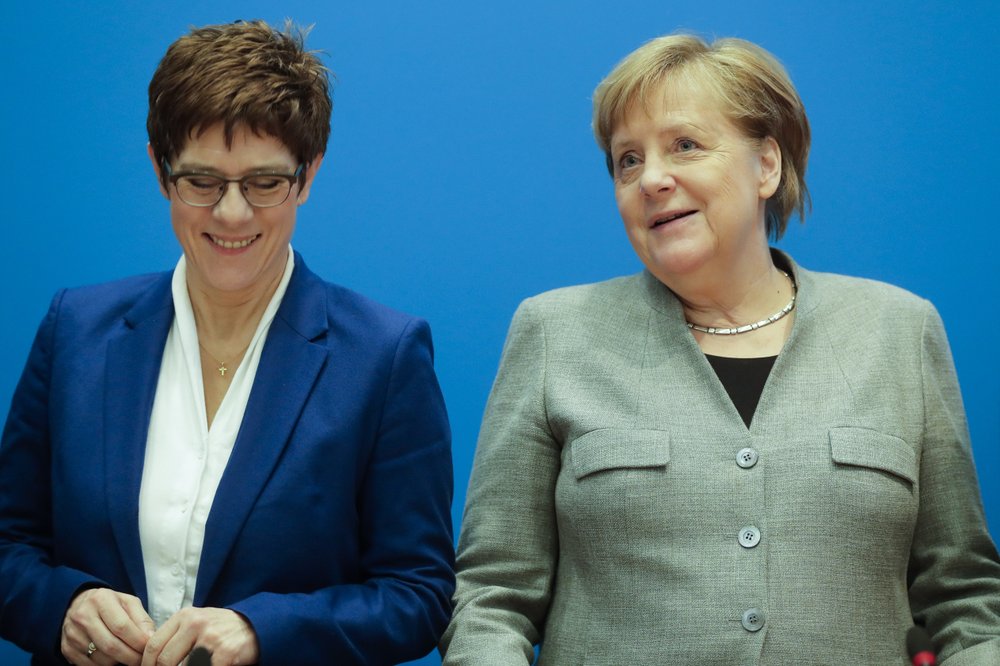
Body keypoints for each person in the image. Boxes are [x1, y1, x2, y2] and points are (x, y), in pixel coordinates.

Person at [440, 34, 1000, 665]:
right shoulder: (553, 333)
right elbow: (492, 599)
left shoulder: (900, 330)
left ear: (767, 165)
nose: (651, 178)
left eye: (685, 145)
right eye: (627, 160)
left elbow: (965, 602)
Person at [0, 20, 454, 666]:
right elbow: (9, 544)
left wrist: (261, 630)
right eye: (202, 181)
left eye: (265, 182)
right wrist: (62, 606)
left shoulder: (384, 356)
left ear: (308, 174)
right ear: (161, 171)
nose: (232, 213)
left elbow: (419, 595)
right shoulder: (75, 330)